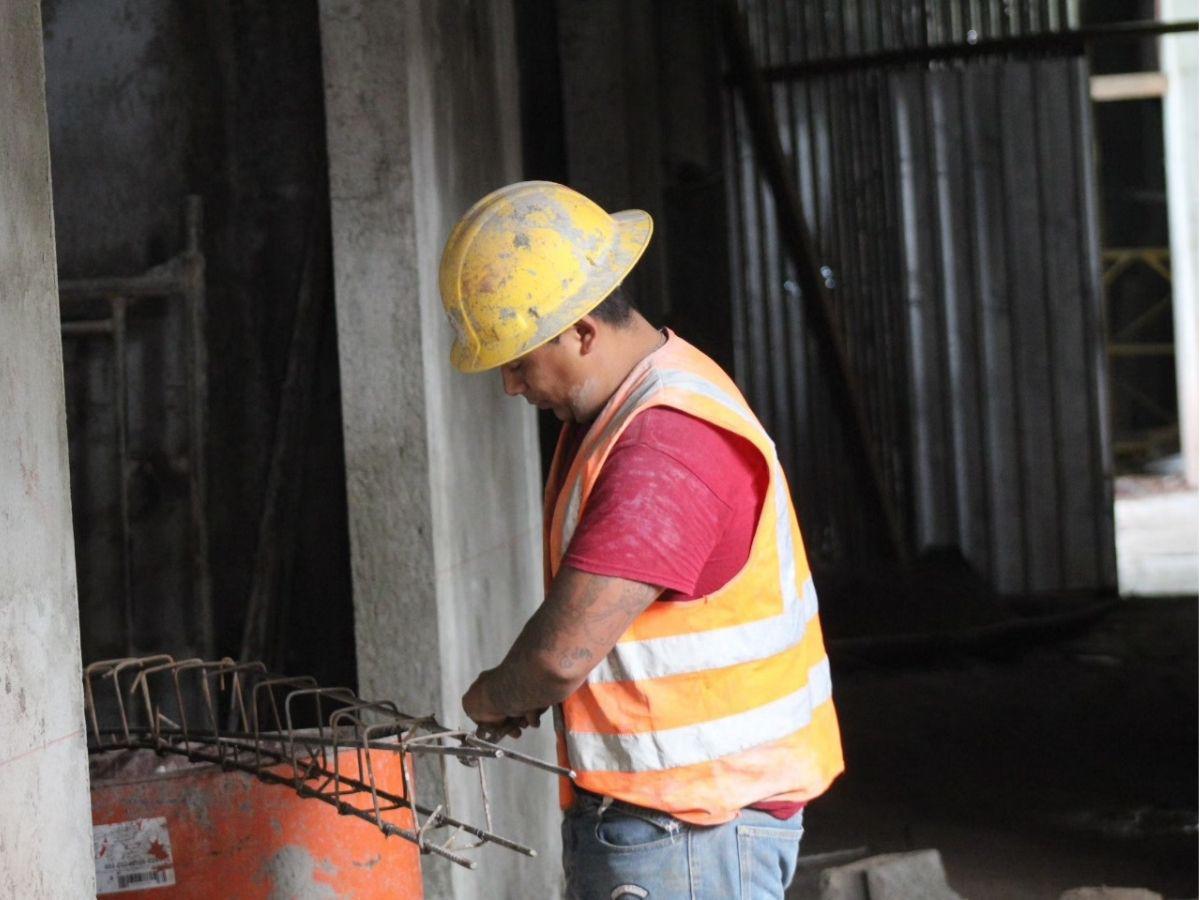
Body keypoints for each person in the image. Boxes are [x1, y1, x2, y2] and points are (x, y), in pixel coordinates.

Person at [439, 181, 843, 899]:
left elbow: (563, 655)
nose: (510, 386)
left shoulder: (664, 445)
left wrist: (495, 695)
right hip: (690, 826)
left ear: (583, 331)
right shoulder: (647, 403)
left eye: (519, 360)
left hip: (687, 834)